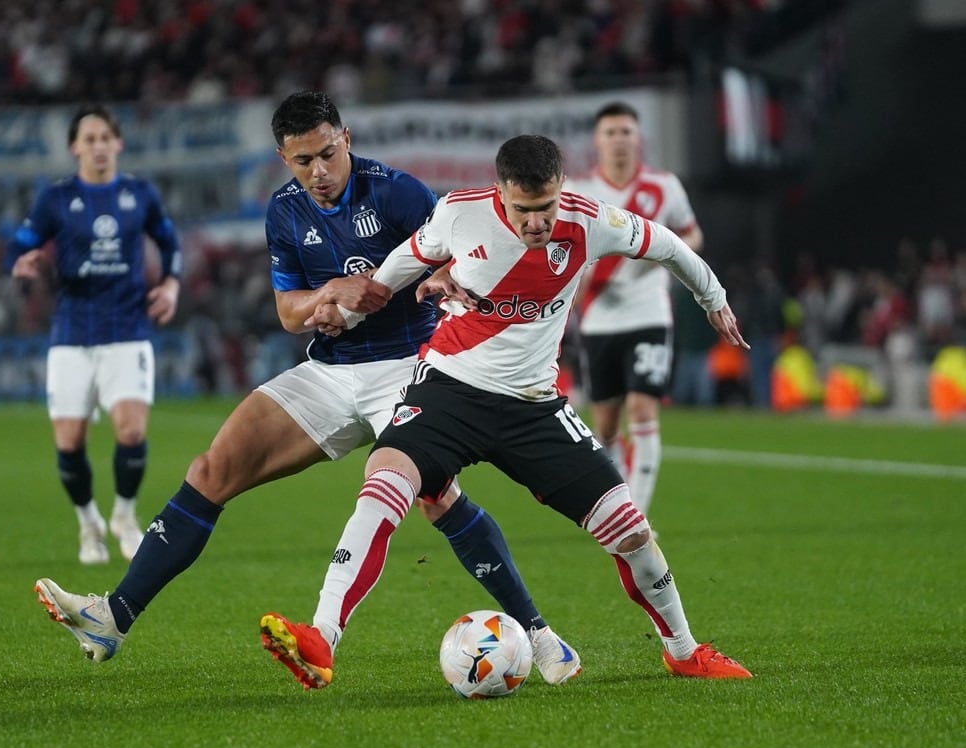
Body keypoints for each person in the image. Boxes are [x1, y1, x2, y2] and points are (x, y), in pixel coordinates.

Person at [33, 92, 580, 689]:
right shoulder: (285, 211)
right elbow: (289, 313)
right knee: (213, 469)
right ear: (282, 157)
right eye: (302, 161)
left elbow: (458, 257)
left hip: (412, 367)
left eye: (327, 154)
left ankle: (541, 636)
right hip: (330, 371)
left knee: (436, 496)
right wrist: (328, 296)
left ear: (345, 138)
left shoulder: (396, 191)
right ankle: (114, 617)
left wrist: (434, 283)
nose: (318, 172)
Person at [266, 134, 752, 683]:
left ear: (561, 189)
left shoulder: (592, 222)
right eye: (523, 210)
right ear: (500, 191)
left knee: (632, 532)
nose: (537, 222)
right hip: (449, 389)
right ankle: (322, 637)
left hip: (533, 407)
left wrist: (714, 301)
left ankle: (683, 650)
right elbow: (396, 271)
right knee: (385, 479)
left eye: (545, 208)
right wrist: (348, 317)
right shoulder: (458, 214)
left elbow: (669, 245)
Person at [4, 104, 182, 565]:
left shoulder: (139, 194)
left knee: (131, 428)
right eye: (90, 138)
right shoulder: (56, 199)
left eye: (106, 137)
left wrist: (172, 284)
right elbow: (20, 244)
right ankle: (88, 524)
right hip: (72, 333)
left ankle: (123, 514)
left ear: (118, 143)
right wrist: (20, 263)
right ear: (74, 147)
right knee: (69, 443)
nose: (99, 145)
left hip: (127, 328)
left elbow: (169, 241)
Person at [563, 101, 704, 519]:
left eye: (626, 132)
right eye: (611, 133)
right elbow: (564, 253)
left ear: (638, 138)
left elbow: (692, 234)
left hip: (649, 313)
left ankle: (636, 516)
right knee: (605, 425)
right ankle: (621, 497)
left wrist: (666, 255)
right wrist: (579, 276)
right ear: (598, 140)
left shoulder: (664, 186)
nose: (619, 140)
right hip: (600, 317)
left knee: (643, 407)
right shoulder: (577, 193)